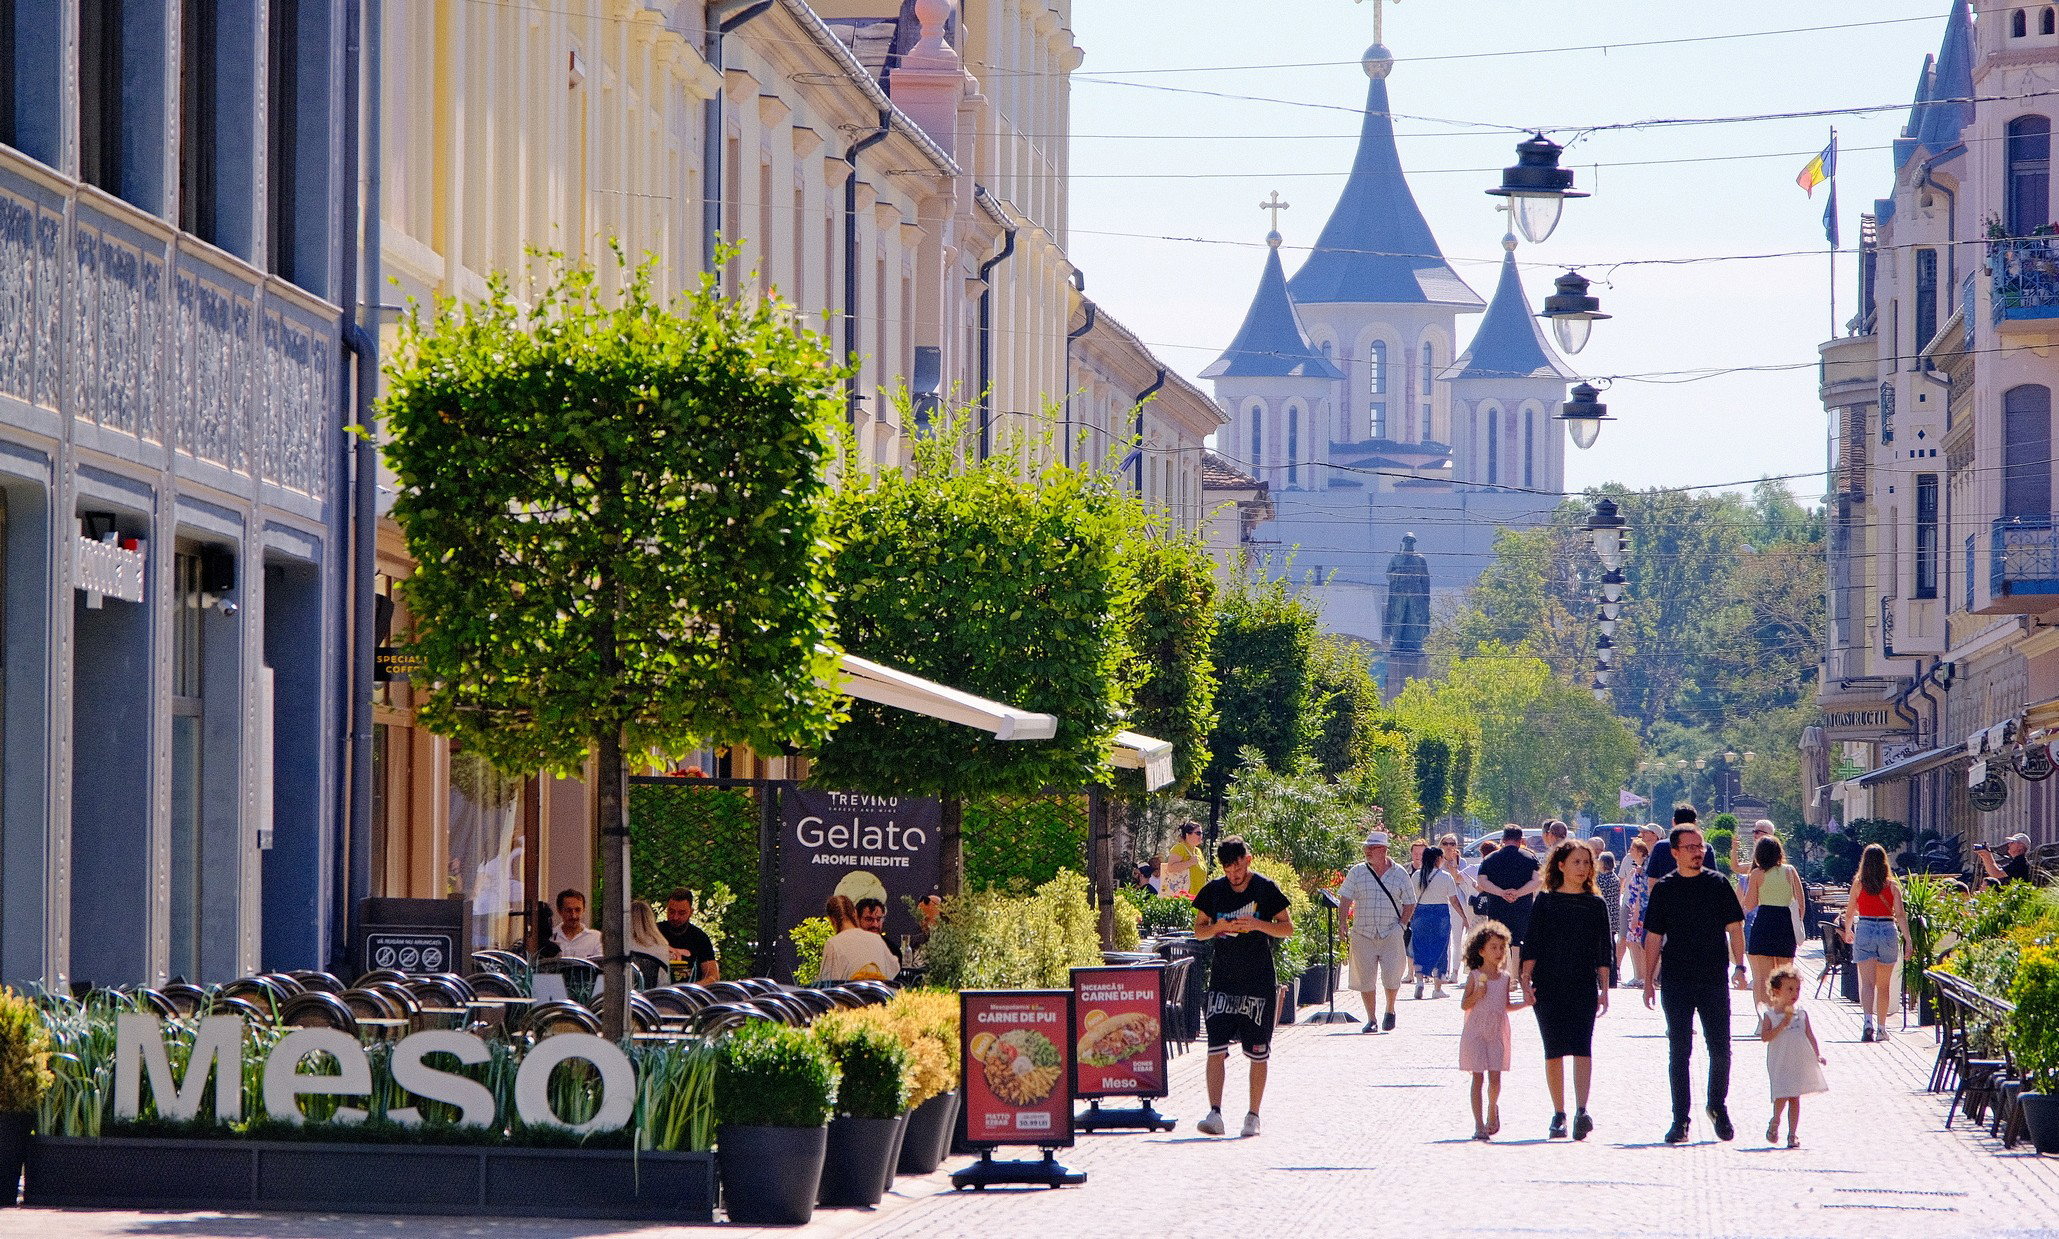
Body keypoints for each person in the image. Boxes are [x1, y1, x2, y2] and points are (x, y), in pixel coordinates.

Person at [1641, 820, 1747, 1144]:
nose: (1697, 852)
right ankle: (1680, 1120)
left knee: (1721, 1049)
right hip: (1676, 980)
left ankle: (1717, 1106)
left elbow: (1735, 928)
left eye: (1700, 847)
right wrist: (1647, 979)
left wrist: (1740, 967)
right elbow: (1654, 936)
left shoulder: (1718, 884)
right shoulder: (1664, 888)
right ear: (1674, 853)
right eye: (1690, 847)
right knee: (1679, 1051)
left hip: (1714, 978)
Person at [1193, 835, 1293, 1138]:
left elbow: (1287, 928)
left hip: (1258, 981)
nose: (1234, 876)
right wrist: (1218, 928)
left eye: (1237, 869)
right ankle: (1215, 1113)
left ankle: (1253, 1116)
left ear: (1247, 861)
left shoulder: (1265, 888)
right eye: (1228, 870)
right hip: (1223, 980)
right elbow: (1199, 931)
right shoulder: (1213, 891)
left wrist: (1257, 924)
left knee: (1258, 1052)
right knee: (1215, 1049)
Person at [1521, 842, 1614, 1141]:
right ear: (1560, 865)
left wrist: (1605, 988)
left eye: (1587, 862)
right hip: (1548, 983)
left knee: (1582, 1046)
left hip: (1583, 983)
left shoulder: (1595, 904)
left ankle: (1581, 1111)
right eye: (1576, 862)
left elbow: (1604, 949)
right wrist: (1524, 980)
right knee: (1554, 1049)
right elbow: (1532, 942)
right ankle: (1558, 1113)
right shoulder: (1545, 901)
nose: (1583, 867)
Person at [1338, 828, 1417, 1031]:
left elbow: (1410, 902)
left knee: (1392, 975)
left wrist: (1401, 925)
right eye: (1366, 847)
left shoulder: (1399, 873)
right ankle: (1371, 1019)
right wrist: (1342, 923)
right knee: (1366, 978)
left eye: (1371, 848)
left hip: (1391, 931)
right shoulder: (1357, 872)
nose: (1367, 851)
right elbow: (1345, 897)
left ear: (1383, 850)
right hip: (1363, 932)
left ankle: (1390, 1009)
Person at [1459, 920, 1529, 1142]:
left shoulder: (1506, 978)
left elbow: (1505, 1005)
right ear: (1481, 951)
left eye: (1502, 947)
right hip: (1476, 1031)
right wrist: (1476, 996)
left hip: (1497, 1032)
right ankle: (1479, 1124)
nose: (1499, 952)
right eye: (1493, 947)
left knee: (1495, 1079)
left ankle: (1492, 1107)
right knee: (1478, 1078)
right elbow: (1464, 1004)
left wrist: (1526, 1003)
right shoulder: (1474, 976)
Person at [1836, 843, 1911, 1043]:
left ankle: (1867, 1022)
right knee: (1884, 986)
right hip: (1887, 929)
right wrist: (1909, 940)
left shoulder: (1859, 884)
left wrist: (1848, 930)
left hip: (1866, 928)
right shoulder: (1892, 886)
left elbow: (1850, 910)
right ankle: (1881, 1028)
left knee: (1867, 984)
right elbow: (1901, 915)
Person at [1758, 964, 1828, 1148]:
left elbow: (1810, 1035)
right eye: (1789, 989)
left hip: (1797, 1062)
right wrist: (1781, 1026)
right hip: (1780, 1063)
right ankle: (1775, 1121)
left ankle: (1793, 1134)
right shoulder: (1770, 1015)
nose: (1794, 993)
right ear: (1776, 991)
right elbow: (1765, 1037)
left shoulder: (1801, 1014)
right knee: (1782, 1095)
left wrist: (1817, 1054)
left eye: (1797, 989)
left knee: (1795, 1097)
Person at [1741, 835, 1803, 1005]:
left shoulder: (1757, 873)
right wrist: (1798, 924)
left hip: (1764, 922)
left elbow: (1750, 904)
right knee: (1786, 976)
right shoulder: (1790, 871)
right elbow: (1801, 902)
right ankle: (1786, 1014)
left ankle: (1764, 1018)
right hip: (1785, 923)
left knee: (1763, 977)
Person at [1474, 825, 1542, 964]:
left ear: (1503, 839)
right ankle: (1516, 975)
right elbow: (1538, 880)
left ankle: (1502, 972)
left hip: (1497, 906)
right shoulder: (1530, 857)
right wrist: (1518, 893)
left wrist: (1501, 893)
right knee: (1519, 941)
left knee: (1499, 939)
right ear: (1521, 840)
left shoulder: (1490, 858)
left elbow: (1482, 881)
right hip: (1522, 907)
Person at [1410, 845, 1469, 1000]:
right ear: (1438, 859)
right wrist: (1464, 917)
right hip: (1440, 914)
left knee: (1420, 947)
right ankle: (1437, 988)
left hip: (1420, 913)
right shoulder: (1445, 877)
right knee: (1441, 950)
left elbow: (1411, 900)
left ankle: (1419, 982)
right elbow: (1454, 901)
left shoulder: (1416, 876)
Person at [818, 894, 900, 983]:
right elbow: (894, 968)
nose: (875, 924)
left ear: (832, 919)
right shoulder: (877, 939)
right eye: (869, 919)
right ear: (855, 914)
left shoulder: (833, 944)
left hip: (849, 996)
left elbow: (827, 983)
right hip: (879, 995)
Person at [659, 887, 720, 983]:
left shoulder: (700, 938)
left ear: (691, 912)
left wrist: (692, 989)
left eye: (681, 913)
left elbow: (712, 976)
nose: (675, 917)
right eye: (671, 911)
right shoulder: (655, 932)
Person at [1620, 836, 1653, 987]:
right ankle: (1639, 976)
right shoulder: (1639, 867)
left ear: (1640, 851)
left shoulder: (1643, 870)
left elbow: (1641, 892)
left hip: (1639, 912)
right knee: (1634, 942)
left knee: (1636, 943)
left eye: (1633, 849)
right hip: (1636, 909)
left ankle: (1640, 976)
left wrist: (1636, 915)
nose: (1630, 851)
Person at [627, 901, 675, 984]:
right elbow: (665, 981)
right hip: (654, 995)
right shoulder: (661, 946)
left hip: (626, 994)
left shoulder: (622, 945)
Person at [1596, 850, 1623, 987]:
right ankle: (1612, 979)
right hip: (1613, 918)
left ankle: (1601, 979)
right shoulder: (1615, 878)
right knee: (1611, 947)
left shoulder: (1601, 879)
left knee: (1601, 949)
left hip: (1602, 918)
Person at [551, 889, 602, 960]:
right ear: (559, 911)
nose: (573, 915)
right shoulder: (550, 936)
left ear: (584, 910)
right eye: (568, 910)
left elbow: (600, 967)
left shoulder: (596, 938)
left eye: (578, 910)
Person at [1163, 822, 1206, 900]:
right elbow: (1171, 867)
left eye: (1202, 833)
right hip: (1183, 899)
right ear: (1187, 834)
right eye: (1198, 833)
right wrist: (1189, 863)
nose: (1201, 836)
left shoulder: (1198, 851)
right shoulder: (1179, 848)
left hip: (1198, 898)